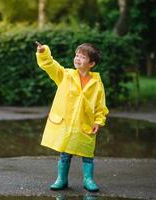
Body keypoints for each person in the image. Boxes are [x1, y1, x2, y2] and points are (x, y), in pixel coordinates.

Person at [35, 41, 109, 192]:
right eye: (76, 55)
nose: (77, 58)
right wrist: (43, 52)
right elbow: (50, 65)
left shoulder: (96, 83)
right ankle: (61, 179)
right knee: (65, 154)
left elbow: (100, 105)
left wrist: (99, 121)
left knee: (87, 155)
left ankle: (88, 179)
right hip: (67, 124)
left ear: (92, 63)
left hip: (85, 124)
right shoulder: (65, 75)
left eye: (82, 57)